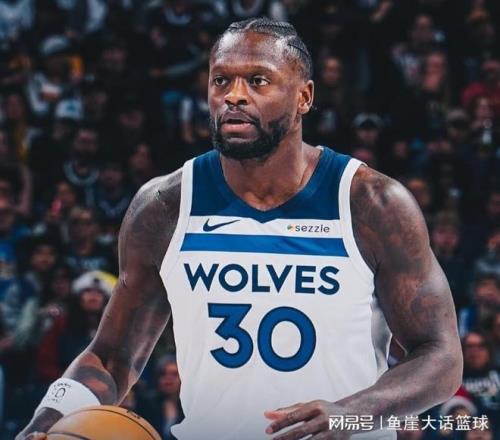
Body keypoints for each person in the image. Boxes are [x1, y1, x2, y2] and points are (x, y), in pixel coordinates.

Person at [17, 18, 463, 440]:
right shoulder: (164, 208)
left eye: (258, 81)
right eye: (221, 81)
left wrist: (353, 412)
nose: (234, 95)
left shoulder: (371, 203)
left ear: (304, 97)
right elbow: (111, 357)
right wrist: (45, 422)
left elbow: (440, 357)